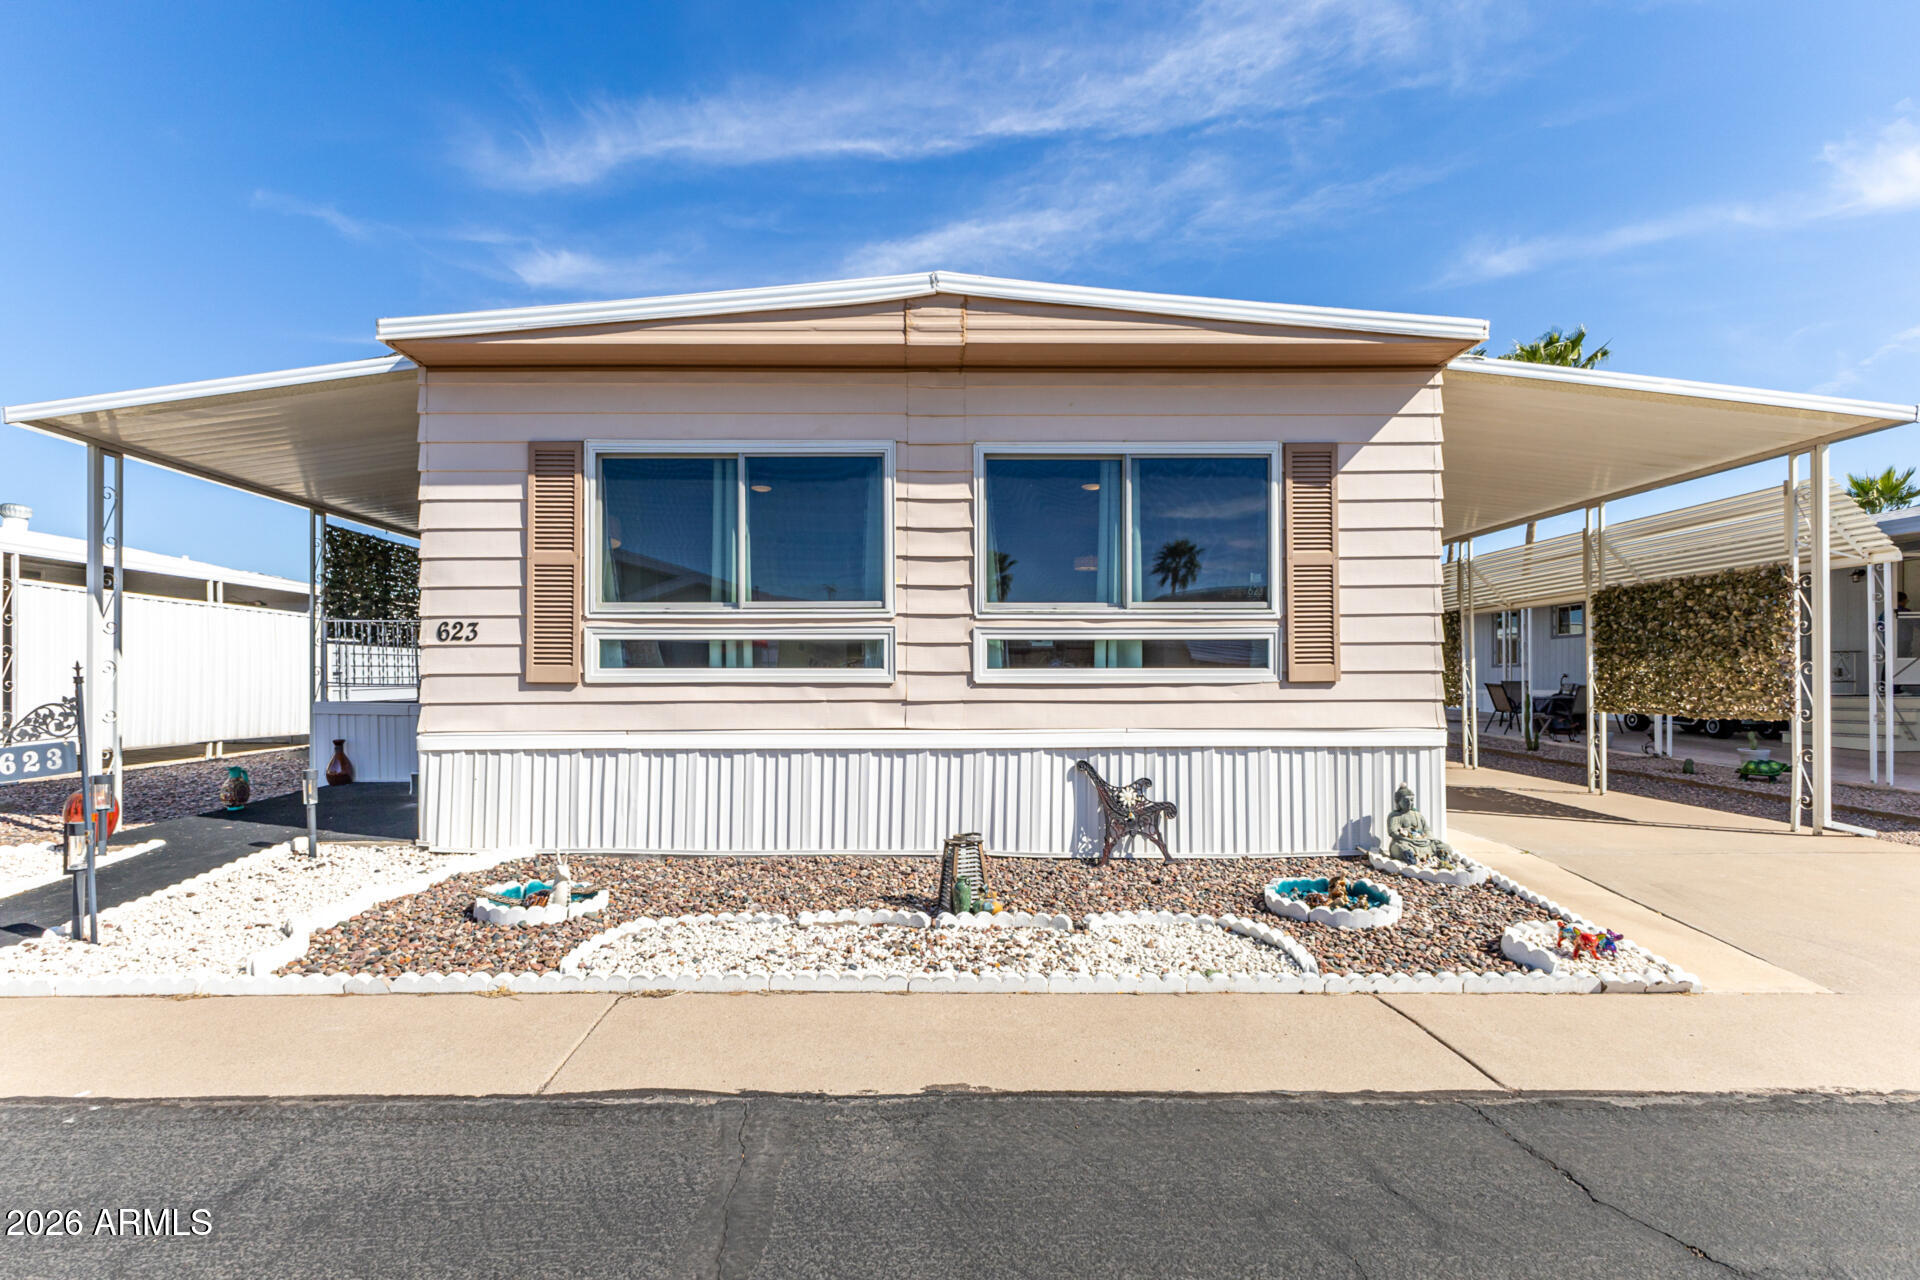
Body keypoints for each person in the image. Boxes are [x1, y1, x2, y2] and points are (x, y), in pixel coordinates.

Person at [1385, 784, 1457, 866]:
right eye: (1406, 800)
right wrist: (1407, 838)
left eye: (1412, 800)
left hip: (1423, 842)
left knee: (1446, 847)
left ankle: (1440, 858)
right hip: (1406, 842)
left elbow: (1427, 829)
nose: (1409, 803)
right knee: (1400, 848)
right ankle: (1413, 860)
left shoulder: (1417, 815)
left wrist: (1428, 838)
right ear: (1398, 801)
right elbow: (1393, 832)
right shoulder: (1395, 816)